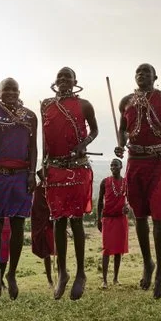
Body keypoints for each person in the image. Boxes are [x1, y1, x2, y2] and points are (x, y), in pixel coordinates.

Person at [114, 63, 161, 299]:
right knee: (140, 216)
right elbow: (122, 129)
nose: (141, 76)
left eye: (146, 73)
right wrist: (121, 144)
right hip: (135, 162)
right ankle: (147, 263)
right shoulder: (126, 101)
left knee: (158, 215)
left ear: (154, 77)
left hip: (158, 162)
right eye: (138, 73)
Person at [0, 77, 38, 299]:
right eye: (6, 89)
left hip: (21, 176)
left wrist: (32, 174)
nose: (10, 92)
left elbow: (33, 148)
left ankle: (12, 273)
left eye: (14, 89)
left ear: (19, 91)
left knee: (19, 224)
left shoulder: (30, 116)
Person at [41, 67, 99, 300]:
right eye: (60, 76)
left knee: (76, 221)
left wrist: (83, 143)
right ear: (55, 81)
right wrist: (43, 164)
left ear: (76, 82)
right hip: (54, 168)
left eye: (68, 77)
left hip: (77, 168)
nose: (64, 80)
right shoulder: (46, 104)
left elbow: (94, 130)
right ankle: (62, 272)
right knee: (58, 220)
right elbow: (44, 138)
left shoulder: (85, 104)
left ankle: (81, 274)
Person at [97, 159, 129, 288]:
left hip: (121, 219)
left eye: (115, 165)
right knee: (107, 249)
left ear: (121, 167)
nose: (113, 167)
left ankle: (115, 278)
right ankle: (104, 280)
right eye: (111, 165)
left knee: (118, 250)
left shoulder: (126, 182)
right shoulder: (105, 182)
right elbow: (99, 201)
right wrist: (98, 219)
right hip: (108, 218)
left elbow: (131, 198)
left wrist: (128, 207)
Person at [32, 169, 55, 287]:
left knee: (58, 249)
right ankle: (50, 280)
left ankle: (61, 275)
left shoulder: (52, 185)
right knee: (46, 252)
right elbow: (35, 207)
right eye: (41, 175)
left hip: (52, 222)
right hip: (42, 223)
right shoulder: (38, 188)